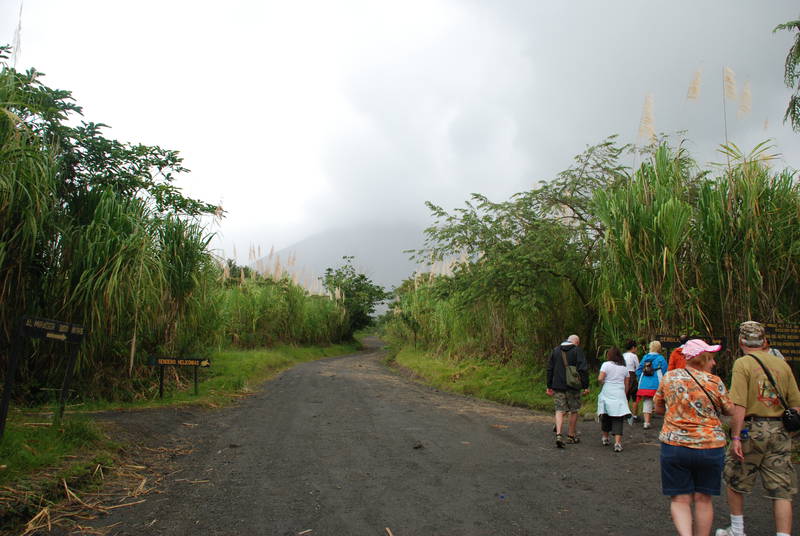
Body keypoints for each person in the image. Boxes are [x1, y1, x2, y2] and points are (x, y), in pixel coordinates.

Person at [715, 321, 800, 536]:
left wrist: (735, 437)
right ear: (764, 341)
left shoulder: (743, 364)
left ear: (741, 341)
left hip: (752, 429)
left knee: (735, 479)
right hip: (779, 429)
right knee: (781, 490)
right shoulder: (781, 364)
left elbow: (739, 405)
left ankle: (737, 530)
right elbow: (796, 404)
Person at [655, 339, 734, 536]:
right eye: (711, 358)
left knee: (680, 499)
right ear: (703, 359)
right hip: (710, 446)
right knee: (704, 499)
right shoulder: (715, 382)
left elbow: (658, 407)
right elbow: (729, 410)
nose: (714, 363)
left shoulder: (669, 378)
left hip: (675, 446)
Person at [546, 334, 589, 448]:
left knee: (559, 410)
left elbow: (550, 368)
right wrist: (585, 385)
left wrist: (549, 385)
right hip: (573, 386)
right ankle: (570, 435)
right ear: (576, 342)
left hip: (558, 385)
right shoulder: (577, 351)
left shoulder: (555, 350)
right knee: (573, 410)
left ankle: (559, 434)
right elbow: (583, 369)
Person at [597, 346, 630, 452]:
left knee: (605, 414)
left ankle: (605, 438)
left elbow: (600, 378)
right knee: (618, 417)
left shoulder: (605, 365)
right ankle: (617, 443)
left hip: (607, 391)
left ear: (609, 355)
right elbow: (627, 383)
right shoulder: (624, 367)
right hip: (619, 392)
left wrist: (604, 383)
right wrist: (624, 393)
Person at [636, 340, 668, 429]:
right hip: (657, 383)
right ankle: (666, 422)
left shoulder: (645, 357)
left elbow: (638, 370)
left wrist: (641, 379)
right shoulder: (661, 358)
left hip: (645, 384)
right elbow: (665, 371)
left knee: (647, 402)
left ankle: (646, 422)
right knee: (662, 401)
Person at [623, 339, 640, 424]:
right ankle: (634, 415)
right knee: (635, 397)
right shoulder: (634, 356)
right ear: (633, 347)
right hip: (632, 376)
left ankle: (626, 414)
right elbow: (638, 368)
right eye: (636, 347)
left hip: (623, 376)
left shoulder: (623, 355)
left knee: (625, 396)